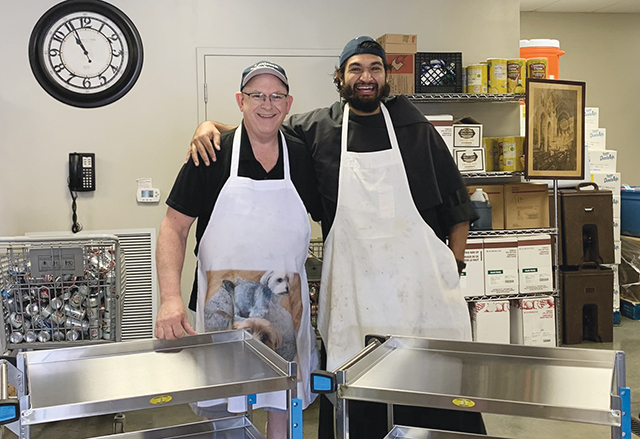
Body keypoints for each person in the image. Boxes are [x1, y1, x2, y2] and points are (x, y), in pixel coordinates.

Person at [188, 37, 484, 439]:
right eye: (356, 69)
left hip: (418, 291)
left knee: (431, 383)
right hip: (356, 291)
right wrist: (209, 127)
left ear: (385, 76)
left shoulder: (413, 127)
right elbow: (261, 123)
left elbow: (455, 200)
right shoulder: (319, 126)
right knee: (356, 385)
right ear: (341, 77)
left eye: (375, 69)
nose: (366, 77)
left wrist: (456, 264)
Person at [155, 60, 321, 439]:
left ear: (288, 102)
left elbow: (332, 217)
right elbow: (173, 227)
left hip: (284, 309)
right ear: (240, 101)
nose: (267, 104)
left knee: (283, 402)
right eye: (256, 95)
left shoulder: (301, 155)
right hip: (220, 305)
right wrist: (169, 299)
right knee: (224, 407)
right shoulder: (210, 153)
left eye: (276, 95)